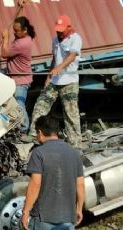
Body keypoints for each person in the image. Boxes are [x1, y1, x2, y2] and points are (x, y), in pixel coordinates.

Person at [21, 15, 82, 147]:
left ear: (69, 27)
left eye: (61, 30)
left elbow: (71, 56)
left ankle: (76, 144)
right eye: (57, 29)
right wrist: (48, 77)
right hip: (54, 82)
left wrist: (59, 68)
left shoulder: (76, 38)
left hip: (69, 82)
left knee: (71, 114)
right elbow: (54, 58)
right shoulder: (55, 40)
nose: (59, 32)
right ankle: (33, 136)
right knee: (40, 106)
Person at [21, 116, 85, 230]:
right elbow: (80, 184)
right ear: (56, 131)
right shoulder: (74, 152)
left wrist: (26, 211)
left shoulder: (38, 152)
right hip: (68, 218)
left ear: (40, 132)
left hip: (43, 218)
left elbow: (35, 184)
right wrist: (79, 208)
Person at [1, 3, 35, 133]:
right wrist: (21, 8)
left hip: (21, 80)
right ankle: (17, 126)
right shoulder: (25, 35)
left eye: (16, 31)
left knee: (19, 105)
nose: (14, 32)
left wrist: (5, 38)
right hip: (14, 76)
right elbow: (20, 22)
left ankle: (24, 128)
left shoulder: (22, 43)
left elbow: (4, 54)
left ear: (24, 30)